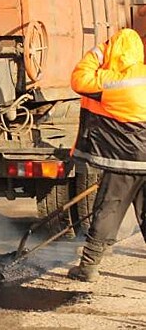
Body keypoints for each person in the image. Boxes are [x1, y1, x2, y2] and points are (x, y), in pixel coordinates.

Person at [68, 28, 146, 282]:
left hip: (123, 162)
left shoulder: (109, 81)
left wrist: (99, 50)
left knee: (108, 212)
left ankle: (88, 267)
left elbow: (79, 79)